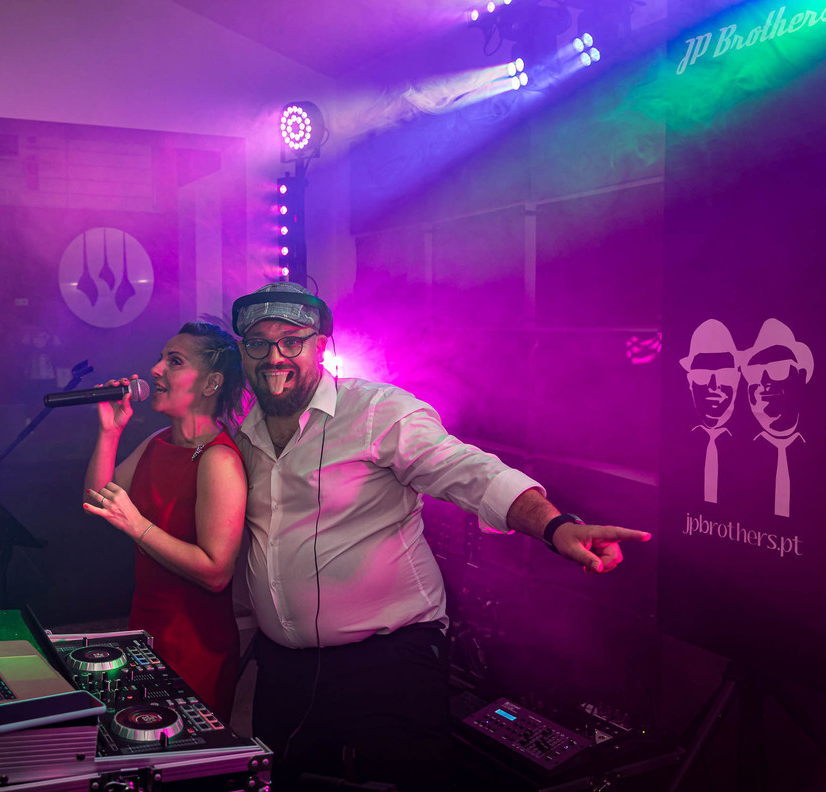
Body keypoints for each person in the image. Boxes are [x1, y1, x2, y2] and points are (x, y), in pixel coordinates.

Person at [229, 282, 652, 790]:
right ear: (243, 352)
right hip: (283, 670)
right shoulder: (241, 429)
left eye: (291, 341)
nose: (275, 357)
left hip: (387, 662)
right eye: (259, 343)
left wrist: (555, 525)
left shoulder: (376, 410)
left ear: (320, 346)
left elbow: (468, 471)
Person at [82, 322, 249, 718]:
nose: (155, 370)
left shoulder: (218, 459)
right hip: (145, 632)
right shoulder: (158, 441)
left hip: (194, 646)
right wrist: (110, 432)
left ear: (211, 384)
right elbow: (96, 499)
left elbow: (216, 572)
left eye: (174, 362)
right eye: (161, 359)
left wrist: (137, 526)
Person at [742, 318, 813, 518]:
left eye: (778, 369)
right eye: (755, 372)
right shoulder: (738, 451)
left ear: (800, 378)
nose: (764, 381)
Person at [680, 319, 741, 504]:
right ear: (690, 382)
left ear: (737, 380)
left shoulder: (749, 446)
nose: (714, 386)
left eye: (724, 374)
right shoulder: (678, 440)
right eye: (702, 374)